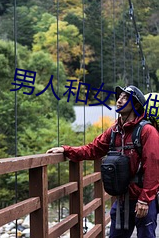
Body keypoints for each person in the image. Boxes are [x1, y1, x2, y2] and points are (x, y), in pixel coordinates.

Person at [46, 85, 159, 238]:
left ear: (136, 105)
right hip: (122, 199)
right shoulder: (114, 131)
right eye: (119, 97)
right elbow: (93, 149)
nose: (119, 100)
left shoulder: (147, 131)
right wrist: (66, 150)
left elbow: (153, 167)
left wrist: (145, 200)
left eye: (125, 98)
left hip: (142, 199)